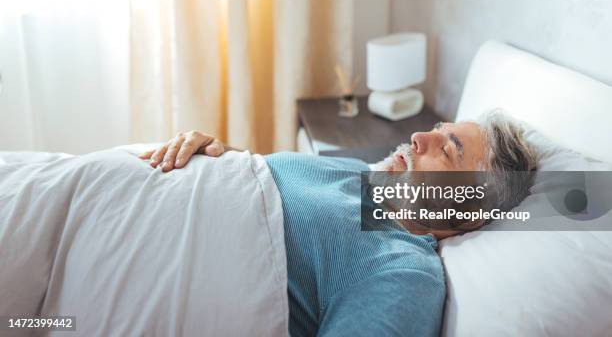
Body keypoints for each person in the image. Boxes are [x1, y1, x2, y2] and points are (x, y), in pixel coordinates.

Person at [139, 112, 537, 337]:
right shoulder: (358, 172)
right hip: (126, 190)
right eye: (436, 131)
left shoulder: (401, 272)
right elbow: (269, 182)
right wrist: (217, 150)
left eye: (446, 151)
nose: (417, 137)